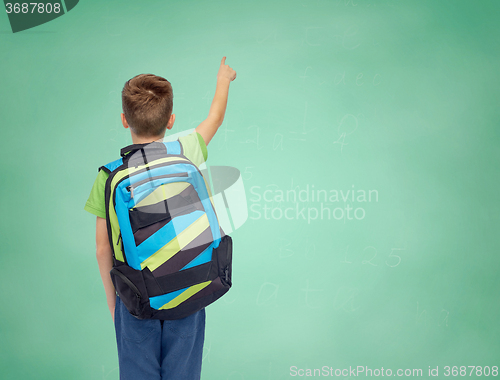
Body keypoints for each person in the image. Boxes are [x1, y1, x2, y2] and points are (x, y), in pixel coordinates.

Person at [84, 57, 237, 380]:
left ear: (125, 120)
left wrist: (115, 307)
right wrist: (223, 79)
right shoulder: (187, 151)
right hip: (189, 289)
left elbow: (102, 251)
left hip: (136, 300)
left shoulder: (110, 175)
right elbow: (215, 118)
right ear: (172, 120)